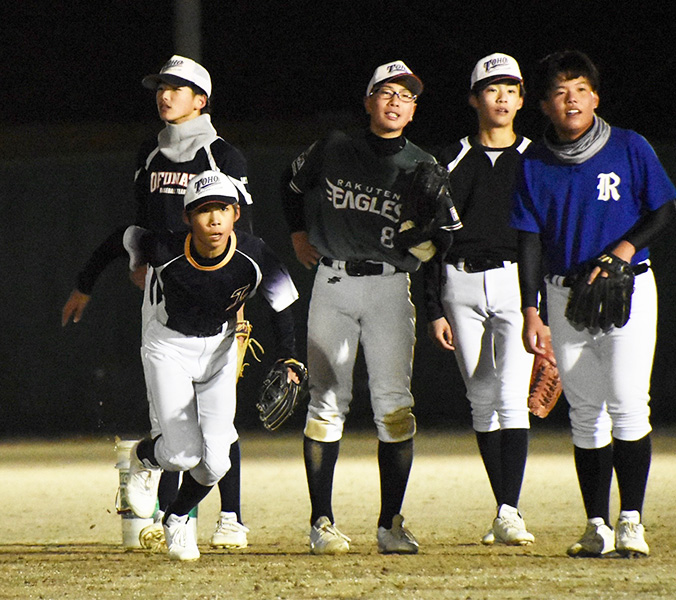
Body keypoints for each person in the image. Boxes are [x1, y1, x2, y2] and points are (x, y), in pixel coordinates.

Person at [61, 55, 253, 549]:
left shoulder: (223, 156)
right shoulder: (150, 152)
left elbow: (243, 232)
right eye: (161, 87)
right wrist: (107, 273)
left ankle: (228, 515)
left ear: (201, 100)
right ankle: (174, 518)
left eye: (177, 87)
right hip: (162, 296)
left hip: (216, 291)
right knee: (170, 421)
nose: (165, 95)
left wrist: (240, 296)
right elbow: (141, 227)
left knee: (219, 420)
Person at [282, 60, 460, 555]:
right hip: (334, 282)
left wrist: (428, 239)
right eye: (386, 92)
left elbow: (446, 240)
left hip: (389, 287)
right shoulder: (334, 147)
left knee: (395, 407)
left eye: (406, 96)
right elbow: (289, 185)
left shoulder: (424, 164)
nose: (396, 101)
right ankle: (321, 522)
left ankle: (390, 524)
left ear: (414, 109)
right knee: (325, 404)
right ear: (368, 102)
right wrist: (298, 233)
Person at [511, 50, 675, 558]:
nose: (572, 99)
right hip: (563, 293)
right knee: (584, 413)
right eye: (560, 92)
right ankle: (597, 526)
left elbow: (663, 207)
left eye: (580, 89)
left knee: (628, 405)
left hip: (627, 287)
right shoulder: (534, 162)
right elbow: (529, 242)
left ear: (595, 97)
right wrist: (532, 309)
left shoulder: (629, 146)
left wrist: (622, 252)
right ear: (544, 105)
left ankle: (632, 523)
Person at [114, 170, 301, 560]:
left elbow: (282, 302)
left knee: (215, 462)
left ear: (235, 213)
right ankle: (143, 459)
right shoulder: (165, 247)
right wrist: (125, 264)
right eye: (203, 210)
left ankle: (176, 519)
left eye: (222, 209)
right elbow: (127, 236)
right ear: (187, 218)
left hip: (219, 348)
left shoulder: (254, 252)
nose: (214, 219)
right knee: (182, 455)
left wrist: (289, 355)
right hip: (169, 347)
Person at [425, 53, 535, 546]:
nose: (502, 96)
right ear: (475, 99)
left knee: (512, 399)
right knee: (480, 401)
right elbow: (429, 240)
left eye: (510, 87)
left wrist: (543, 307)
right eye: (492, 88)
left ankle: (509, 511)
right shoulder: (447, 159)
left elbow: (545, 236)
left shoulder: (538, 157)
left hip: (516, 284)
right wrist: (432, 309)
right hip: (459, 285)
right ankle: (503, 508)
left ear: (522, 97)